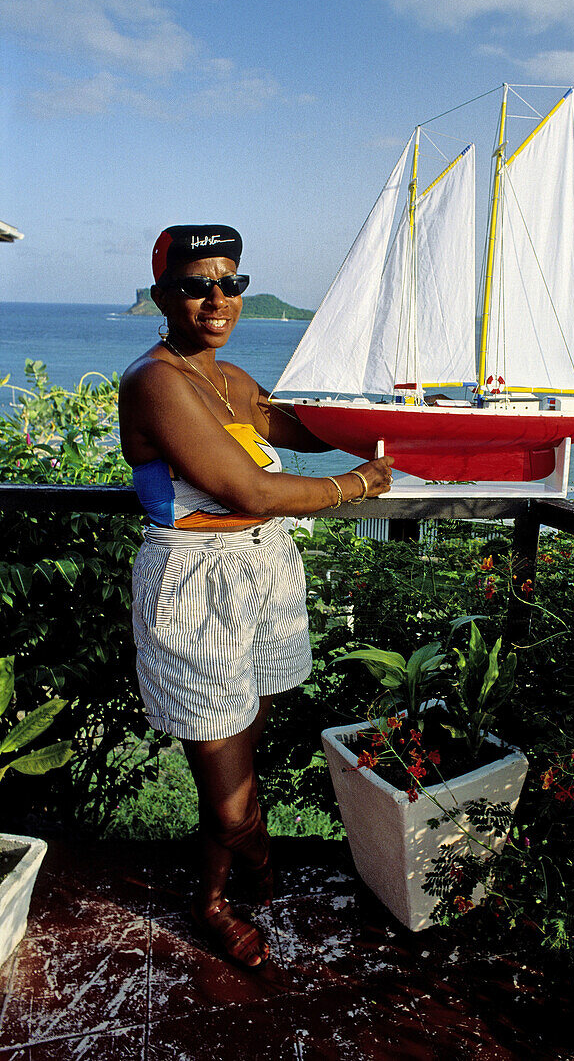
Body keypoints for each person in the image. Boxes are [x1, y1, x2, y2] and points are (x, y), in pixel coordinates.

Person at [118, 224, 392, 970]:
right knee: (232, 789)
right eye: (194, 284)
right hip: (196, 579)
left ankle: (213, 895)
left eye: (229, 282)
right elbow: (253, 488)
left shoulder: (230, 379)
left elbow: (301, 429)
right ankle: (257, 857)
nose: (216, 298)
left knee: (240, 752)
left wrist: (403, 417)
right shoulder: (156, 382)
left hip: (264, 568)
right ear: (163, 295)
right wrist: (357, 485)